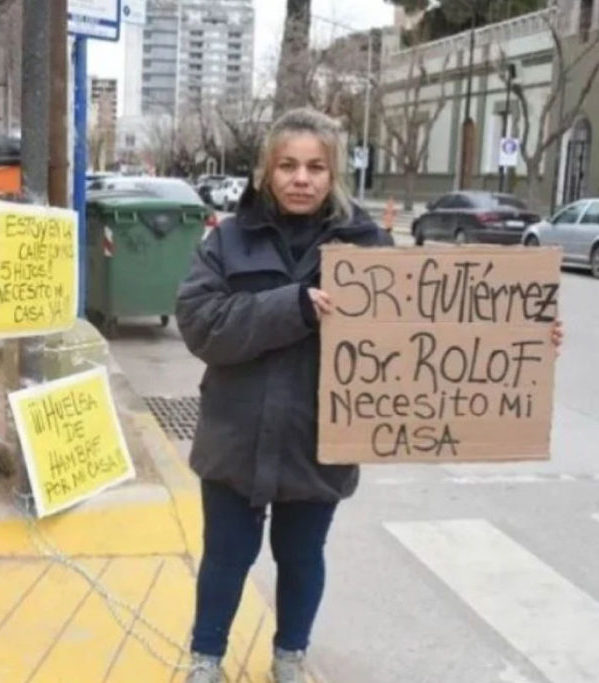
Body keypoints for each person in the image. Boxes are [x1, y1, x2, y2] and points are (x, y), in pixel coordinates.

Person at [175, 108, 563, 682]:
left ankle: (290, 657)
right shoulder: (228, 240)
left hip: (321, 439)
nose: (301, 178)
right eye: (287, 165)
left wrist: (524, 334)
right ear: (265, 171)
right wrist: (295, 306)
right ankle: (205, 660)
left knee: (302, 559)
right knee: (226, 559)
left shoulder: (367, 242)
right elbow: (200, 324)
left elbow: (427, 330)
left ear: (334, 176)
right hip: (235, 436)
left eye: (315, 167)